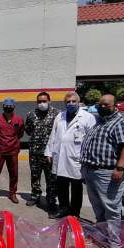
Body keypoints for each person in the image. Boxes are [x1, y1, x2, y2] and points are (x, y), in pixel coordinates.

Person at [80, 94, 124, 248]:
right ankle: (102, 236)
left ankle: (115, 246)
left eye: (106, 105)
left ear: (115, 106)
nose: (102, 107)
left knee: (111, 208)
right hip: (92, 171)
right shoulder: (99, 122)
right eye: (100, 104)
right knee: (98, 207)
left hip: (108, 172)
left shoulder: (122, 122)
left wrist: (120, 167)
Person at [44, 91, 96, 219]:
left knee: (76, 187)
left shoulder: (87, 117)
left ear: (79, 102)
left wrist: (88, 158)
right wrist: (48, 152)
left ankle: (75, 212)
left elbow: (92, 139)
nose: (71, 104)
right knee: (61, 186)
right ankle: (63, 209)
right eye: (68, 102)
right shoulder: (60, 116)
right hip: (60, 156)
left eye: (73, 101)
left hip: (77, 158)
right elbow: (53, 135)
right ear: (64, 103)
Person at [25, 92, 60, 208]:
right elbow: (29, 130)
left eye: (44, 101)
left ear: (49, 101)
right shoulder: (31, 114)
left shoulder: (57, 114)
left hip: (50, 153)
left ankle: (51, 199)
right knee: (35, 176)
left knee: (51, 178)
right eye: (39, 101)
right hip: (35, 152)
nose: (42, 103)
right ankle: (35, 196)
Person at [0, 98, 24, 203]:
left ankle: (12, 193)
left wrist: (14, 142)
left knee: (14, 173)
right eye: (6, 105)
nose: (8, 107)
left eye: (10, 105)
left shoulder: (19, 119)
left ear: (14, 107)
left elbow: (20, 134)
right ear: (3, 106)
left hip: (13, 150)